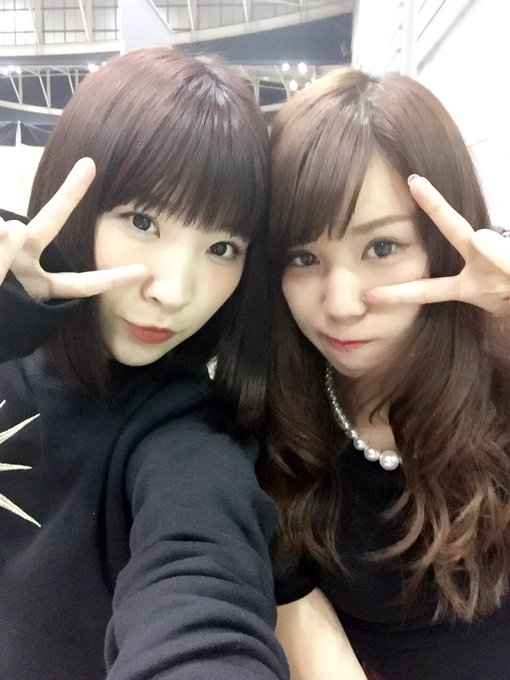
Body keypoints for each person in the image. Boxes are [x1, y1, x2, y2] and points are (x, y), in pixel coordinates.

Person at [0, 48, 288, 680]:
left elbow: (203, 586)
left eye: (222, 247)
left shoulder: (184, 435)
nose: (174, 292)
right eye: (142, 220)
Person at [258, 67, 510, 679]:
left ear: (442, 247)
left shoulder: (499, 387)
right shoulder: (269, 427)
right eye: (304, 257)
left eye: (382, 248)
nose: (341, 304)